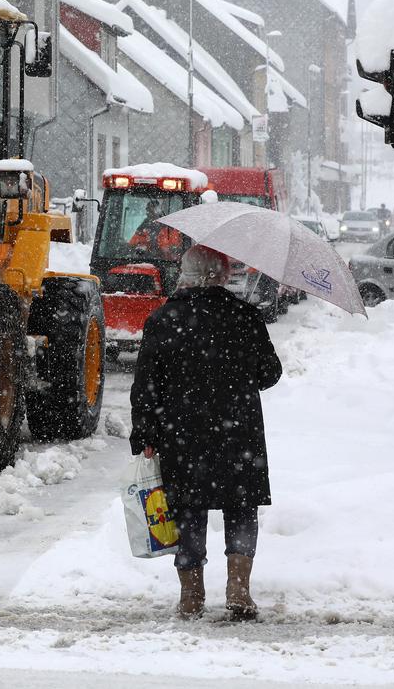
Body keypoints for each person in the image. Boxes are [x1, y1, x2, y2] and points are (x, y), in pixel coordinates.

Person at [129, 245, 282, 620]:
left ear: (185, 274)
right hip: (238, 432)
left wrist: (145, 434)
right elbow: (270, 374)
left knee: (188, 510)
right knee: (241, 507)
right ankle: (239, 589)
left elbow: (146, 385)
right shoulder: (245, 316)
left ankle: (191, 594)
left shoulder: (164, 319)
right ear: (222, 275)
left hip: (183, 433)